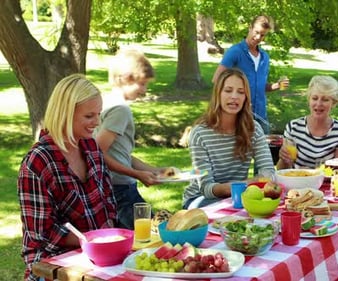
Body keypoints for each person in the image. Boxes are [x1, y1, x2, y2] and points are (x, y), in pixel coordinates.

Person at [17, 74, 117, 281]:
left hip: (99, 256)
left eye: (99, 114)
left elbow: (107, 198)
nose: (97, 123)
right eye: (89, 116)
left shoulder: (91, 147)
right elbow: (42, 233)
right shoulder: (37, 163)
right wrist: (92, 240)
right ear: (65, 114)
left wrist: (110, 240)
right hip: (53, 264)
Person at [94, 49, 175, 229]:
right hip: (120, 190)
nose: (145, 91)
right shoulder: (120, 110)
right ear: (125, 78)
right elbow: (97, 152)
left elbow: (119, 154)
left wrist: (155, 170)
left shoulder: (105, 103)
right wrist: (137, 175)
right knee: (155, 235)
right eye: (142, 84)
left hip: (115, 188)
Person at [183, 68, 275, 209]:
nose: (234, 96)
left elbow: (268, 172)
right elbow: (207, 188)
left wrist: (244, 188)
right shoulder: (200, 133)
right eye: (228, 90)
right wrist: (248, 184)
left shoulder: (254, 128)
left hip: (240, 196)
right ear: (218, 94)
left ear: (245, 98)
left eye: (240, 92)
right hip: (201, 199)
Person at [211, 15, 288, 134]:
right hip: (239, 116)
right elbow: (217, 80)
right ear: (250, 28)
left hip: (261, 117)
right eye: (256, 32)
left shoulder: (264, 57)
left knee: (265, 151)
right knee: (241, 151)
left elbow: (260, 86)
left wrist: (277, 85)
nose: (258, 37)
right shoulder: (235, 52)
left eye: (262, 35)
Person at [277, 75, 338, 169]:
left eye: (325, 99)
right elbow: (282, 170)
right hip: (296, 181)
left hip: (326, 182)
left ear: (334, 103)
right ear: (309, 100)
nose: (319, 104)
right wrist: (283, 159)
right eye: (315, 98)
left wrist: (312, 174)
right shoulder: (293, 127)